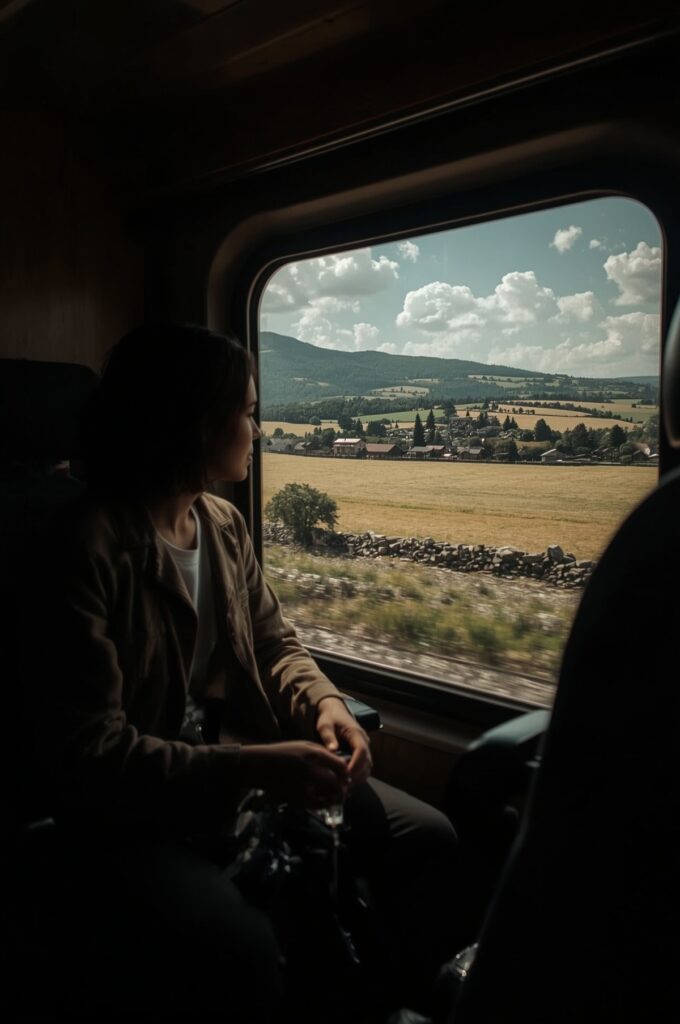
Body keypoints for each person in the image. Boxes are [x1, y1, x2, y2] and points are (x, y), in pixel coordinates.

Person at [29, 324, 459, 1023]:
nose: (257, 430)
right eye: (249, 412)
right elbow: (91, 753)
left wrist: (325, 706)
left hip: (237, 766)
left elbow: (272, 643)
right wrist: (256, 769)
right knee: (241, 950)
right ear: (194, 422)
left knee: (427, 837)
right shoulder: (88, 547)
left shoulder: (223, 525)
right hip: (131, 815)